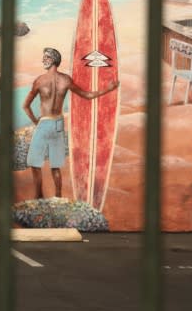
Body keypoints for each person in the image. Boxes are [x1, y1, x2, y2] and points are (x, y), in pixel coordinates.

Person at [22, 48, 119, 199]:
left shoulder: (39, 81)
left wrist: (36, 122)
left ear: (53, 60)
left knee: (35, 162)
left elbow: (25, 106)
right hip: (58, 124)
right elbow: (87, 95)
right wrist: (108, 89)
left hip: (44, 123)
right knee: (55, 165)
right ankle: (58, 197)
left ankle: (39, 196)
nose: (43, 60)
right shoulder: (66, 80)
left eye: (45, 57)